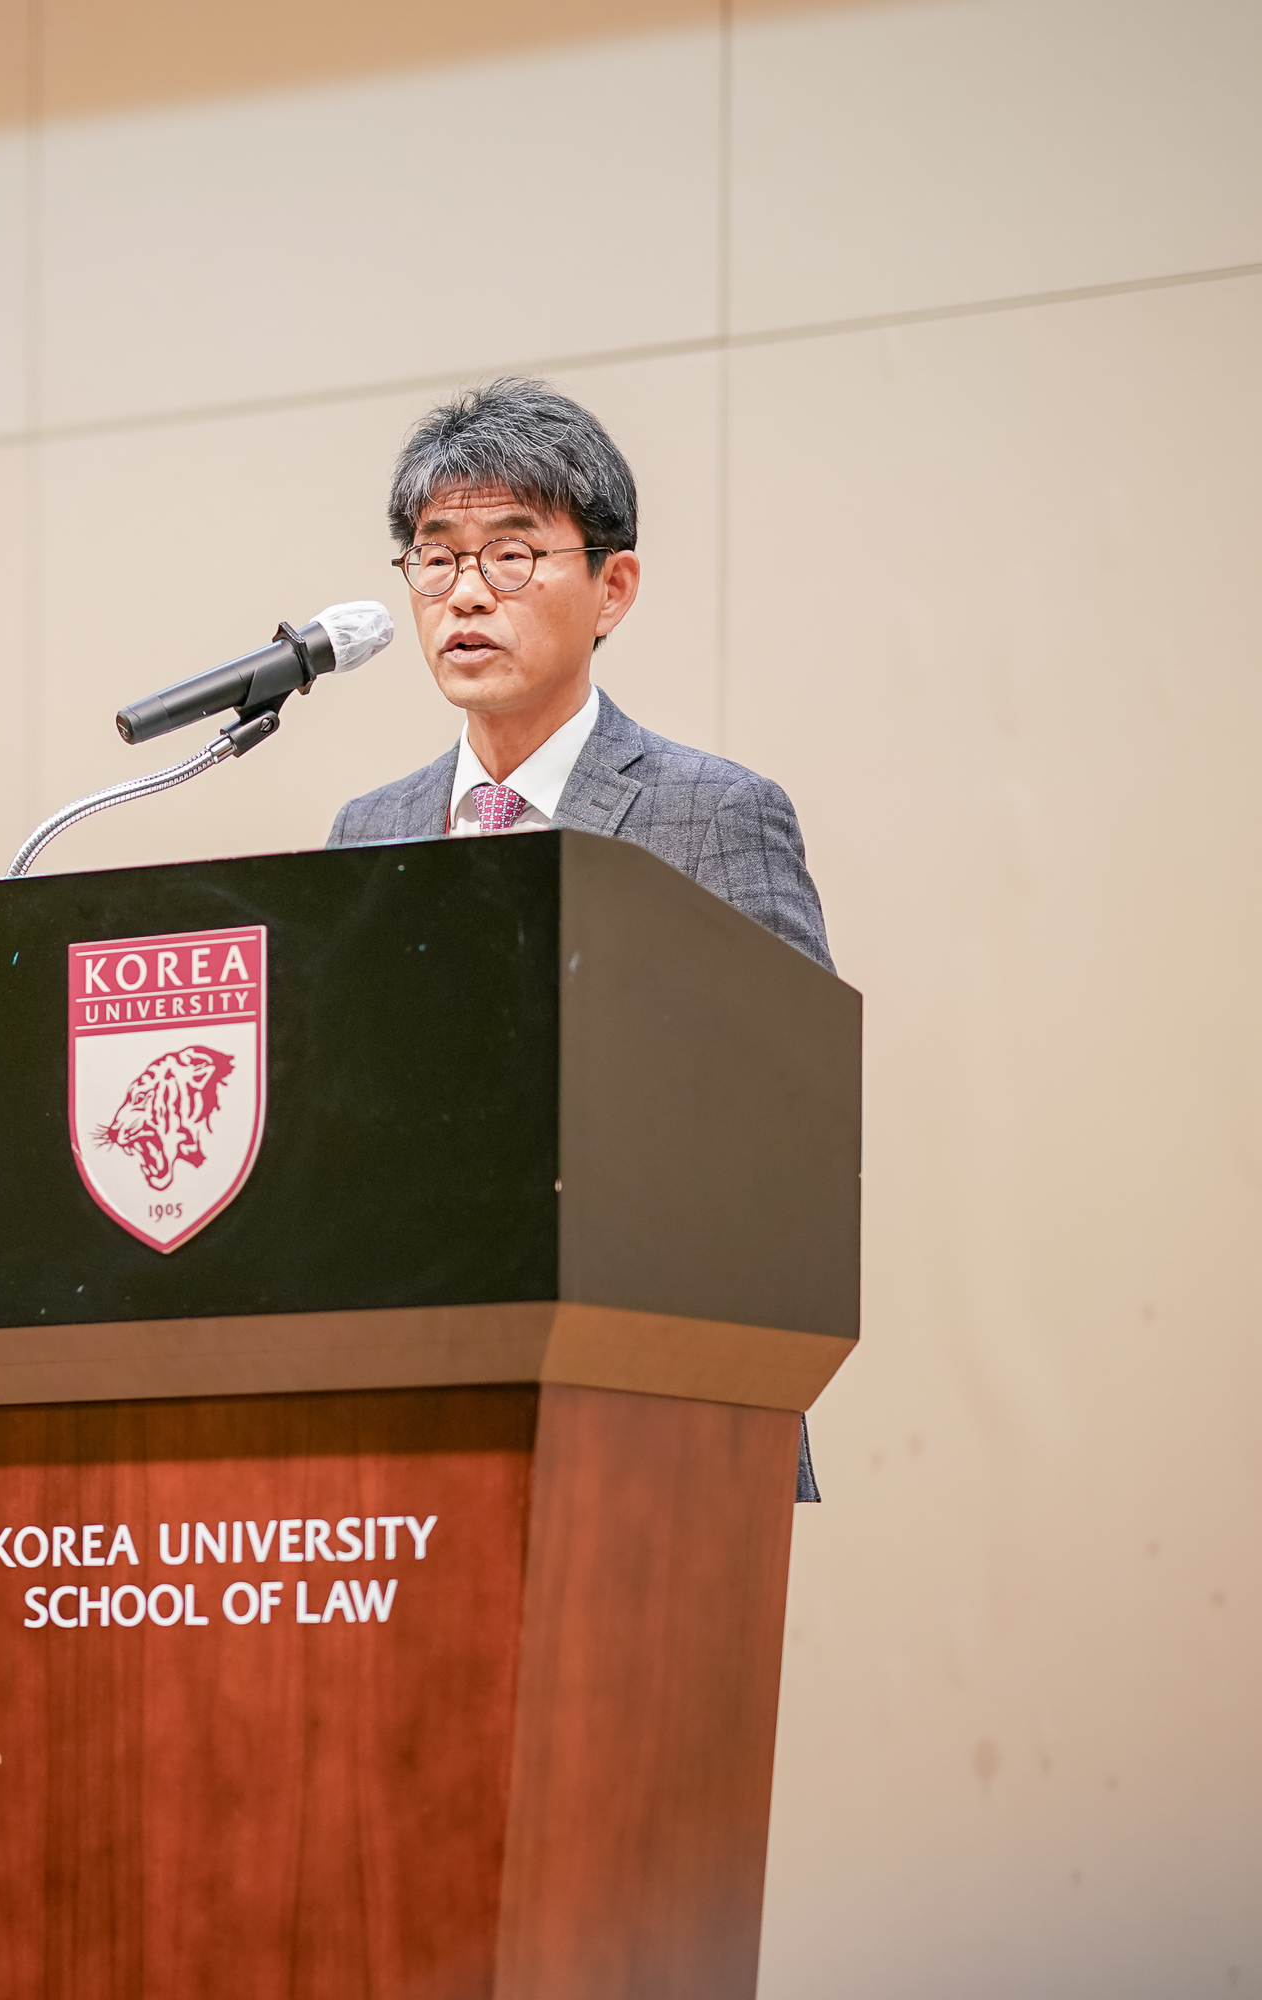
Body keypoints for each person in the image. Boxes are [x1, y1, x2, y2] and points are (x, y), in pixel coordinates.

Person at [329, 377, 832, 1500]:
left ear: (614, 588)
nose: (467, 592)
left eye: (512, 555)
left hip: (660, 1409)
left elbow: (792, 1123)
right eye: (436, 557)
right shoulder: (368, 833)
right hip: (412, 1408)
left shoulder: (713, 813)